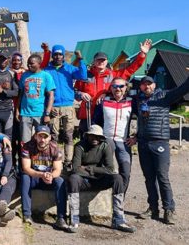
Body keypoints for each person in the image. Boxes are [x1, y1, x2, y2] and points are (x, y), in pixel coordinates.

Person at [130, 75, 189, 224]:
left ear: (154, 85)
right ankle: (153, 208)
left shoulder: (165, 96)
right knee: (149, 178)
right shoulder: (138, 100)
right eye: (143, 84)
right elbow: (142, 122)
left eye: (149, 84)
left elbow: (183, 88)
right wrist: (136, 136)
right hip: (143, 144)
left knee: (162, 177)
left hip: (160, 143)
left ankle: (169, 209)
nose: (146, 87)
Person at [67, 125, 136, 233]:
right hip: (84, 181)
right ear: (87, 136)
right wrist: (97, 171)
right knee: (73, 178)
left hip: (99, 179)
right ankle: (74, 219)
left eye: (97, 136)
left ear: (101, 137)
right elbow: (76, 169)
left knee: (117, 178)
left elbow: (110, 169)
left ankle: (118, 219)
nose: (94, 139)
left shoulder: (105, 145)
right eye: (92, 136)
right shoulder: (79, 146)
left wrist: (89, 169)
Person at [75, 39, 152, 134]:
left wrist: (142, 54)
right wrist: (81, 94)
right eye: (98, 60)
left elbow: (131, 69)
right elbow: (75, 92)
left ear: (107, 61)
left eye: (103, 60)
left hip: (107, 116)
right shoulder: (84, 76)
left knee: (105, 144)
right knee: (86, 143)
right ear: (94, 61)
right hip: (87, 115)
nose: (101, 62)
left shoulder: (114, 75)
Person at [44, 45, 87, 166]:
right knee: (54, 136)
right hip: (54, 107)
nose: (58, 56)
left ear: (63, 56)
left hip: (68, 106)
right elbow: (43, 91)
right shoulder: (47, 70)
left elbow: (83, 76)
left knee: (69, 135)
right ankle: (55, 161)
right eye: (56, 54)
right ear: (52, 55)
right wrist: (48, 107)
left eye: (60, 54)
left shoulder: (69, 68)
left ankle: (68, 161)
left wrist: (81, 59)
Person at [20, 125, 68, 230]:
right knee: (24, 177)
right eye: (40, 136)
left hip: (48, 179)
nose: (42, 139)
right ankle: (27, 215)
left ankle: (61, 218)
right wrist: (41, 175)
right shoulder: (27, 147)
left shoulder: (55, 149)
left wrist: (51, 175)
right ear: (35, 136)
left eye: (45, 137)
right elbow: (26, 168)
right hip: (35, 177)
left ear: (50, 137)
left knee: (60, 181)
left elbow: (58, 170)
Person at [93, 77, 133, 192]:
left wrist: (136, 137)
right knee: (105, 169)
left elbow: (143, 119)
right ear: (111, 88)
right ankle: (104, 197)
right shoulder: (104, 102)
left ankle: (120, 199)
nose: (118, 89)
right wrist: (98, 138)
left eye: (121, 86)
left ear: (126, 87)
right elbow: (96, 121)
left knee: (125, 171)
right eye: (115, 86)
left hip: (124, 141)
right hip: (107, 140)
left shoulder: (131, 102)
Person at [18, 54, 55, 144]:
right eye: (28, 63)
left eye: (32, 63)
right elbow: (21, 94)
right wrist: (17, 110)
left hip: (40, 113)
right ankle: (26, 157)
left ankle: (39, 157)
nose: (29, 65)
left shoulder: (46, 76)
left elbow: (51, 95)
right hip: (25, 113)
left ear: (39, 63)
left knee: (41, 140)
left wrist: (47, 113)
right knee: (25, 141)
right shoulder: (24, 75)